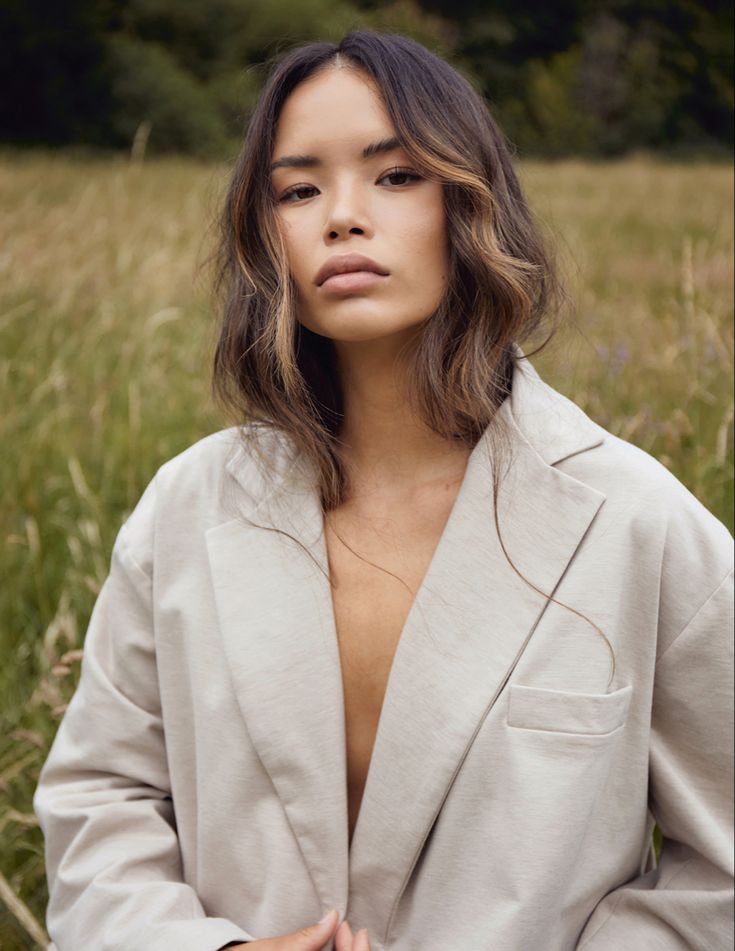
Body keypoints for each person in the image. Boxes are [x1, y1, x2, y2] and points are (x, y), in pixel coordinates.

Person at [34, 30, 733, 951]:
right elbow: (99, 800)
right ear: (266, 233)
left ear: (471, 199)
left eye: (395, 175)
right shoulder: (185, 508)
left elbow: (718, 867)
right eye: (298, 187)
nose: (342, 216)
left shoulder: (636, 520)